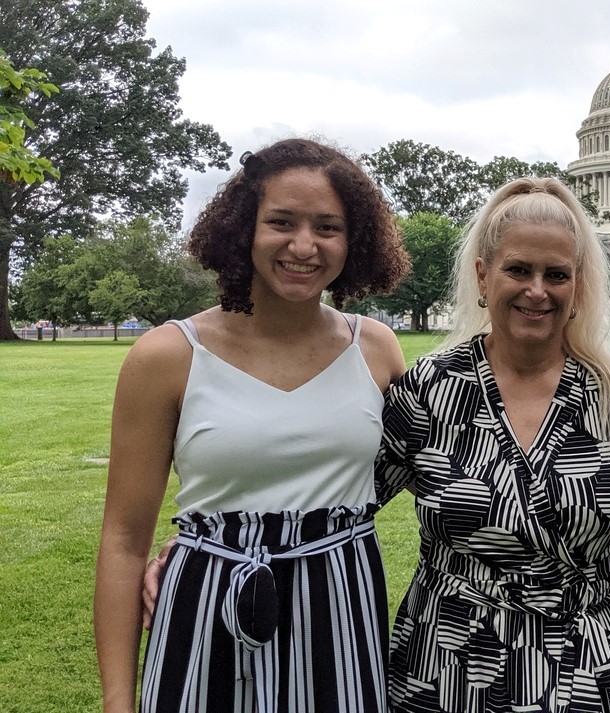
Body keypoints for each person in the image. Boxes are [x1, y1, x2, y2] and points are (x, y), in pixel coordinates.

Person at [94, 138, 410, 713]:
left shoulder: (376, 349)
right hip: (205, 601)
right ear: (244, 229)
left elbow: (437, 469)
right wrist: (119, 700)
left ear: (354, 240)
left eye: (328, 227)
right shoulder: (167, 356)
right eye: (281, 222)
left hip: (339, 606)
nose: (304, 246)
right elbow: (121, 541)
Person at [375, 177, 610, 712]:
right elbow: (344, 499)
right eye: (518, 270)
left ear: (578, 286)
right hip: (449, 667)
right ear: (483, 275)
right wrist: (208, 543)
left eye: (556, 275)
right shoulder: (432, 388)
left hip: (585, 668)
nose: (537, 290)